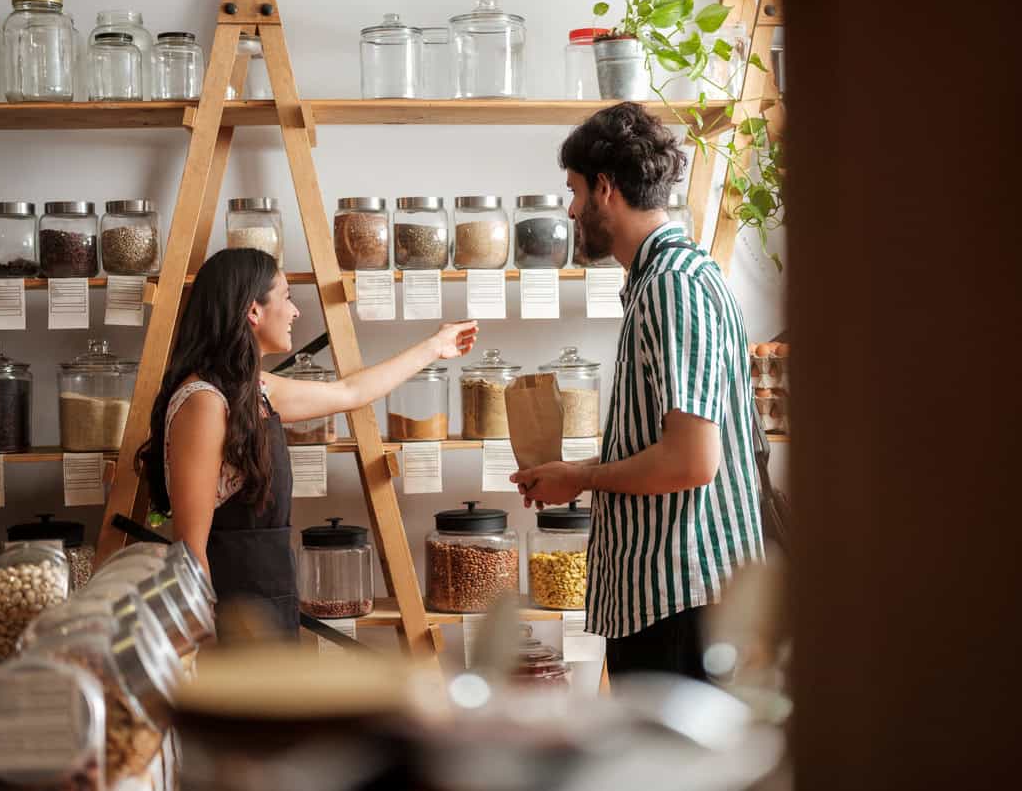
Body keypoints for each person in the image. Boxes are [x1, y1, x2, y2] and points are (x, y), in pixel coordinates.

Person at [510, 102, 764, 680]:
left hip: (682, 597)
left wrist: (580, 477)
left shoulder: (673, 286)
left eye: (573, 192)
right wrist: (571, 471)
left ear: (605, 189)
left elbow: (692, 461)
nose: (571, 210)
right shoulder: (666, 279)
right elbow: (668, 446)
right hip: (672, 597)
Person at [137, 248, 478, 636]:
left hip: (271, 601)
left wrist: (435, 347)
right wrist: (206, 641)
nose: (296, 311)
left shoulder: (253, 391)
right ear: (253, 311)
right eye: (286, 297)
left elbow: (350, 392)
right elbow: (189, 546)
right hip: (230, 616)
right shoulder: (203, 401)